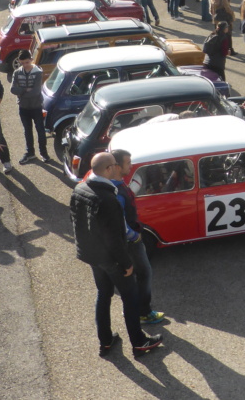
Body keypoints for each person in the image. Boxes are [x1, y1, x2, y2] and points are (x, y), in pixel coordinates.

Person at [70, 152, 163, 358]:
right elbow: (114, 236)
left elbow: (75, 222)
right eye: (114, 165)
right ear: (109, 169)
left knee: (103, 295)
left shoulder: (80, 189)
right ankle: (139, 343)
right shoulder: (108, 198)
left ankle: (105, 341)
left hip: (92, 256)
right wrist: (126, 263)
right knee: (130, 298)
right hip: (111, 258)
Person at [110, 148, 165, 327]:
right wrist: (134, 236)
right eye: (128, 163)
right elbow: (119, 222)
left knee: (135, 275)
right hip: (130, 241)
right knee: (144, 273)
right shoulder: (117, 191)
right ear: (117, 166)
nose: (131, 166)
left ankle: (135, 308)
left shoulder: (116, 184)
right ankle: (143, 312)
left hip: (126, 239)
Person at [10, 50, 50, 165]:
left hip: (36, 106)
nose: (25, 65)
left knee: (40, 131)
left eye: (27, 62)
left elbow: (36, 92)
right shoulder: (17, 73)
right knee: (27, 131)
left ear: (31, 60)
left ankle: (44, 153)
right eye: (22, 63)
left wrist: (21, 93)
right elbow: (12, 89)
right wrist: (25, 90)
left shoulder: (37, 72)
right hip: (23, 107)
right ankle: (30, 153)